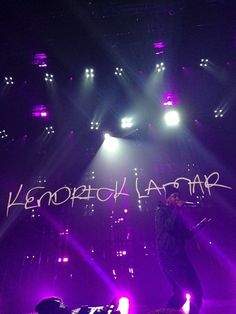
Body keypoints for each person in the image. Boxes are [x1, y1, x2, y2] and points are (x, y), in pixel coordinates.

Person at [155, 186, 211, 314]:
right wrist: (178, 209)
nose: (177, 198)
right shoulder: (161, 211)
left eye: (178, 196)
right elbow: (169, 226)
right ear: (167, 199)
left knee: (197, 291)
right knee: (180, 292)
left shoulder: (177, 213)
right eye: (174, 196)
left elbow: (187, 234)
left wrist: (201, 225)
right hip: (169, 258)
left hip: (181, 257)